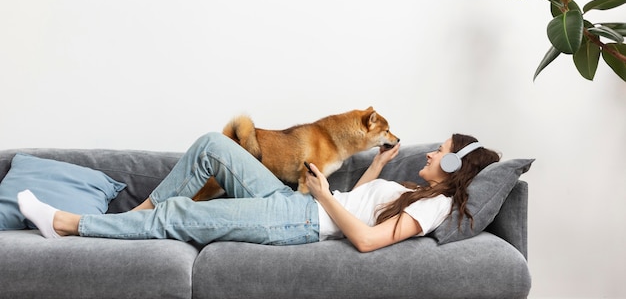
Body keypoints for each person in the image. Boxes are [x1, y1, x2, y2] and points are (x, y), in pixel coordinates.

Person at [17, 132, 500, 252]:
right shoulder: (416, 192)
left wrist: (323, 194)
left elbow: (368, 240)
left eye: (441, 151)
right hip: (303, 204)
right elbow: (365, 206)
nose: (432, 153)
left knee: (182, 214)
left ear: (456, 164)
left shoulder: (435, 207)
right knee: (213, 147)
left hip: (301, 221)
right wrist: (376, 165)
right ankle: (140, 211)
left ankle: (63, 223)